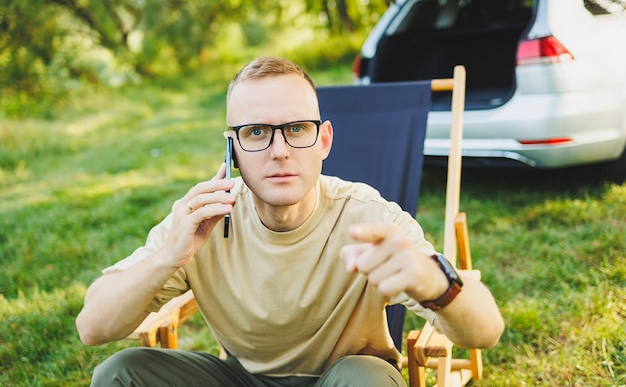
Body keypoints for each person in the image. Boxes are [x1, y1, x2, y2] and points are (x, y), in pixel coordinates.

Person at [76, 56, 504, 387]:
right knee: (122, 372)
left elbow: (487, 330)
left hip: (346, 377)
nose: (279, 150)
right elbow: (92, 327)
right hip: (243, 378)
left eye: (297, 128)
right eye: (257, 132)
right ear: (232, 149)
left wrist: (437, 285)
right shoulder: (201, 220)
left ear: (324, 141)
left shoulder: (366, 216)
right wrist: (167, 257)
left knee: (367, 379)